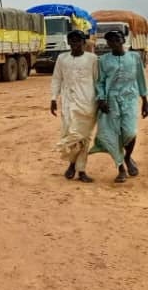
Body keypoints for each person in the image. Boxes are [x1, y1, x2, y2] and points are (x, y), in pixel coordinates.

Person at [92, 30, 148, 183]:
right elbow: (100, 81)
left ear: (123, 40)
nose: (113, 42)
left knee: (130, 131)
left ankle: (127, 157)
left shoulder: (134, 57)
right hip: (111, 101)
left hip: (130, 99)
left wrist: (145, 100)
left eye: (116, 39)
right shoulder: (103, 60)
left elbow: (140, 79)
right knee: (113, 134)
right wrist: (101, 99)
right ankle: (120, 168)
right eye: (110, 40)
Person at [50, 29, 98, 182]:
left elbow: (98, 81)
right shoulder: (62, 58)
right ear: (68, 42)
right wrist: (53, 98)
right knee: (70, 133)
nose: (75, 44)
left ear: (84, 42)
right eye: (72, 41)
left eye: (78, 40)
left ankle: (81, 170)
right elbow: (57, 78)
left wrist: (101, 99)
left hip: (87, 103)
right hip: (68, 102)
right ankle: (72, 164)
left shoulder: (93, 59)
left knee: (84, 137)